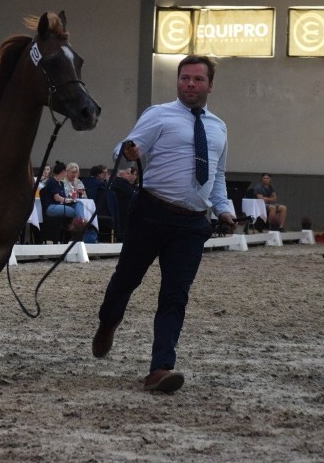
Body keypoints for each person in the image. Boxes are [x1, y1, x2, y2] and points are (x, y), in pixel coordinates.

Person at [93, 54, 235, 394]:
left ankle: (160, 368)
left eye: (198, 79)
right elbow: (125, 147)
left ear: (210, 85)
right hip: (152, 213)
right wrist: (128, 152)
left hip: (191, 225)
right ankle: (108, 322)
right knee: (126, 280)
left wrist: (224, 208)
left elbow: (217, 176)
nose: (190, 84)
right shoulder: (159, 115)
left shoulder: (219, 128)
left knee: (175, 296)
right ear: (178, 81)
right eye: (184, 78)